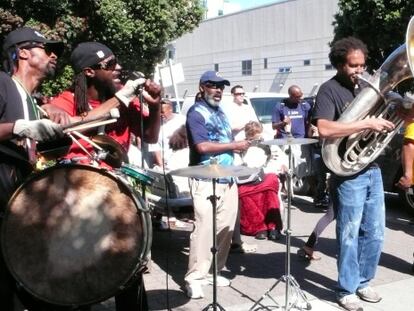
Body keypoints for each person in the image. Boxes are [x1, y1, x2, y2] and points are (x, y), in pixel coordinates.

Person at [51, 41, 161, 311]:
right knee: (80, 276)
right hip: (77, 205)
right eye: (110, 65)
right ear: (89, 72)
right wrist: (122, 96)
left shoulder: (124, 104)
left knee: (128, 271)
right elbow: (70, 129)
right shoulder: (63, 102)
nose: (118, 68)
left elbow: (151, 136)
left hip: (118, 200)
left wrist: (156, 105)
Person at [312, 37, 395, 311]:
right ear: (339, 64)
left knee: (375, 233)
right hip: (347, 173)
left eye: (362, 65)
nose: (360, 71)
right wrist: (367, 122)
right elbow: (324, 129)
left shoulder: (366, 87)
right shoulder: (328, 90)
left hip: (371, 168)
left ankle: (363, 282)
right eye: (353, 66)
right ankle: (346, 289)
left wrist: (402, 113)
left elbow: (387, 121)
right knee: (349, 233)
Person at [0, 26, 68, 311]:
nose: (53, 56)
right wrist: (19, 126)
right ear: (24, 53)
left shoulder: (32, 99)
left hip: (19, 207)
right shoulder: (2, 83)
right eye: (46, 49)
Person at [184, 70, 250, 299]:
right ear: (202, 87)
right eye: (213, 85)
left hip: (227, 178)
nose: (219, 90)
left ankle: (214, 270)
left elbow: (223, 139)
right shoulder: (195, 112)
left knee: (226, 229)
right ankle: (194, 277)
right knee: (203, 230)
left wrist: (240, 142)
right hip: (205, 180)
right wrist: (234, 146)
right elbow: (201, 146)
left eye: (221, 86)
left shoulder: (221, 112)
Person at [221, 85, 257, 253]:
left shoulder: (248, 107)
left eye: (243, 93)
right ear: (232, 95)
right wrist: (243, 126)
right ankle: (234, 239)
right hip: (234, 152)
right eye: (238, 93)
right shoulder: (228, 108)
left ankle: (238, 238)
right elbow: (228, 129)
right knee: (233, 199)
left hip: (248, 150)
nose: (241, 96)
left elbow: (255, 125)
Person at [237, 121, 283, 240]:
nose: (255, 138)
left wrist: (282, 165)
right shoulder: (241, 145)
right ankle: (259, 228)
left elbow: (279, 160)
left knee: (270, 188)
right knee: (243, 193)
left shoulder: (268, 144)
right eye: (251, 135)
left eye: (256, 135)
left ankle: (273, 226)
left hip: (265, 174)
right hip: (248, 178)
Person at [149, 99, 185, 169]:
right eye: (158, 112)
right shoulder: (155, 125)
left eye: (162, 112)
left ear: (170, 109)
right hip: (165, 164)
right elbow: (155, 147)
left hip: (182, 161)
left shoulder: (182, 120)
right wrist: (161, 165)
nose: (160, 114)